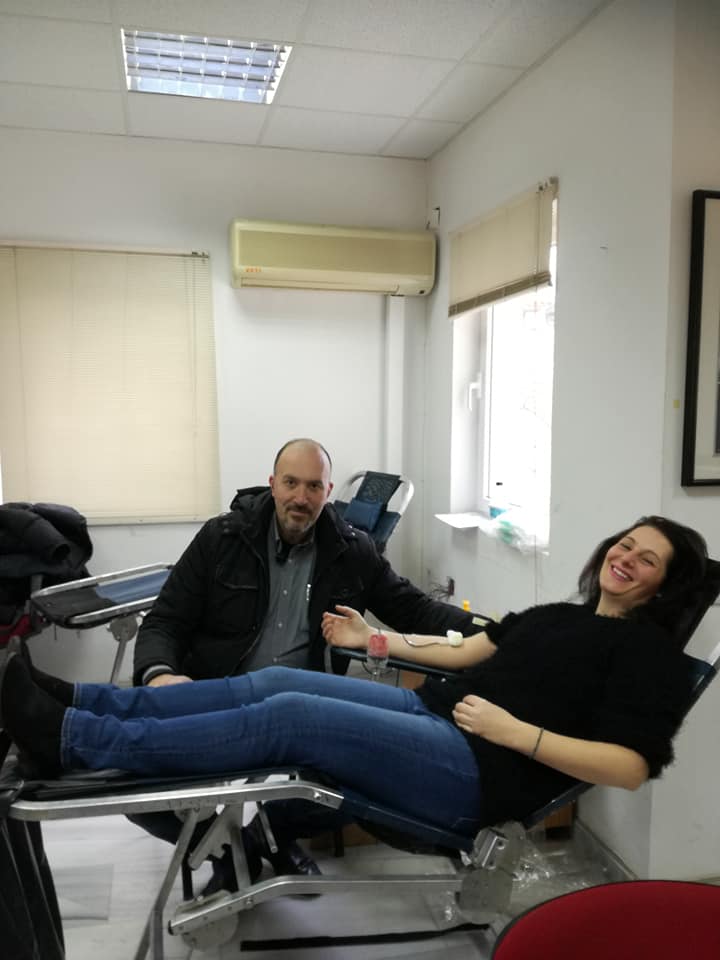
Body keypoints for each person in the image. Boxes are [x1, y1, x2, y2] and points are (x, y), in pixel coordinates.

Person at [0, 516, 708, 888]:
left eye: (647, 559)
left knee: (291, 719)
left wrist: (517, 732)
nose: (625, 558)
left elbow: (630, 766)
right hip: (436, 717)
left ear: (664, 585)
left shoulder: (647, 655)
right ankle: (80, 703)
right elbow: (464, 650)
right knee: (276, 684)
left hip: (477, 773)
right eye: (625, 544)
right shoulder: (560, 616)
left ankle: (71, 742)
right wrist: (375, 641)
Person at [129, 437, 480, 889]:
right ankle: (225, 849)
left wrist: (494, 632)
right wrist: (160, 674)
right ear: (272, 484)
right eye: (291, 483)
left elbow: (415, 609)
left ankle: (270, 834)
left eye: (314, 486)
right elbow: (165, 621)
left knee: (374, 769)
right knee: (136, 783)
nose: (301, 497)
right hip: (220, 694)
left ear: (328, 492)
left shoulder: (353, 550)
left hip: (306, 710)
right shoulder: (222, 539)